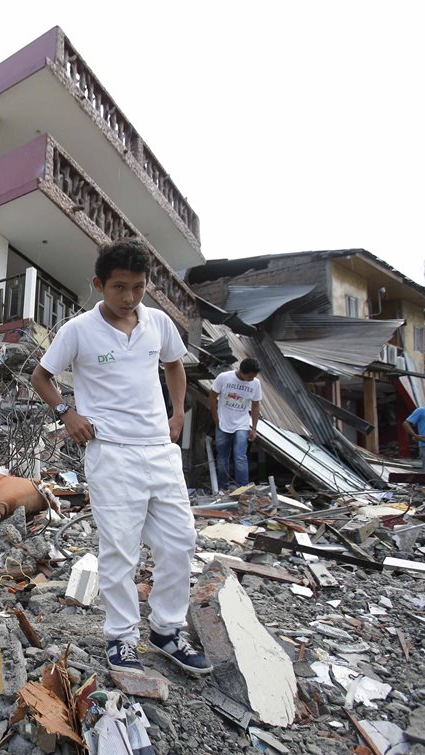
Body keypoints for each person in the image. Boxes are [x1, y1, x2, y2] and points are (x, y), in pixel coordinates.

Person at [31, 238, 211, 677]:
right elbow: (41, 375)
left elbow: (174, 365)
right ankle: (121, 638)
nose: (129, 298)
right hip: (111, 452)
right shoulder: (78, 330)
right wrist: (66, 413)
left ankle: (167, 632)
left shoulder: (159, 324)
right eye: (119, 288)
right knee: (120, 551)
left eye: (137, 287)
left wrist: (177, 412)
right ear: (99, 284)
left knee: (179, 541)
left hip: (159, 451)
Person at [209, 358, 263, 488]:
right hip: (223, 423)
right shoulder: (224, 378)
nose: (252, 379)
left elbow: (255, 405)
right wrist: (216, 419)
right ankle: (223, 488)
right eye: (250, 376)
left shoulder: (255, 383)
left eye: (254, 377)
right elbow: (211, 396)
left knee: (240, 456)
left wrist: (254, 428)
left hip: (242, 424)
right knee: (222, 457)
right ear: (242, 372)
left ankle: (243, 489)